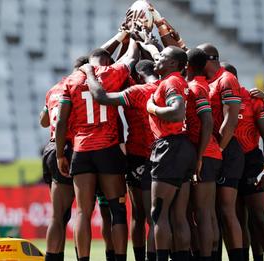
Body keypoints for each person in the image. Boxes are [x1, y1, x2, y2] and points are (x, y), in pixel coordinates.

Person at [55, 37, 139, 261]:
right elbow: (131, 58)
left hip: (82, 150)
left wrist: (60, 154)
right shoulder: (111, 74)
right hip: (108, 148)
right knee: (117, 210)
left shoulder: (71, 80)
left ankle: (83, 259)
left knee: (83, 211)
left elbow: (61, 121)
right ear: (108, 61)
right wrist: (134, 38)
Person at [80, 59, 160, 261]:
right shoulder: (162, 86)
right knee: (156, 216)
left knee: (136, 215)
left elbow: (104, 93)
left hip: (132, 154)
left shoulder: (131, 90)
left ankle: (136, 257)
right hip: (158, 154)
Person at [223, 63, 264, 261]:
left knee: (258, 217)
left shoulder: (252, 99)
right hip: (227, 163)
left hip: (250, 161)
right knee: (238, 220)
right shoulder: (214, 99)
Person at [146, 46, 196, 261]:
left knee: (159, 213)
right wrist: (148, 43)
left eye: (162, 57)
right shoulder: (178, 80)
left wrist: (153, 109)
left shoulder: (170, 82)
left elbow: (177, 112)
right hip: (184, 147)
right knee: (178, 215)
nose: (158, 58)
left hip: (169, 147)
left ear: (174, 63)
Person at [197, 43, 244, 261]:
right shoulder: (208, 80)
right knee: (211, 211)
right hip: (214, 149)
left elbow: (230, 121)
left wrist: (220, 149)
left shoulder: (226, 79)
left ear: (208, 59)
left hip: (226, 149)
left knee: (226, 210)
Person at [40, 55, 88, 261]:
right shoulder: (81, 88)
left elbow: (43, 121)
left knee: (57, 215)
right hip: (70, 148)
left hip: (50, 147)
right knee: (82, 213)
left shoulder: (54, 89)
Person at [184, 48, 221, 261]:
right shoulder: (197, 84)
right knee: (203, 214)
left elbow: (207, 121)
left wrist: (198, 156)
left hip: (204, 155)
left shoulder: (196, 87)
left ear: (186, 66)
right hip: (206, 153)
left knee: (203, 214)